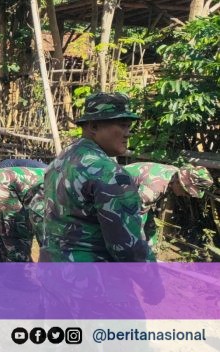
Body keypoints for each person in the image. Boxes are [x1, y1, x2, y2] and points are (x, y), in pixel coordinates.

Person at [40, 92, 154, 262]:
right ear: (93, 127)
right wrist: (154, 284)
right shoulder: (109, 173)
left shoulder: (64, 158)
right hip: (89, 280)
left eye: (129, 127)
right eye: (122, 125)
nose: (128, 133)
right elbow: (128, 248)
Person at [124, 162, 213, 247]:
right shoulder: (153, 190)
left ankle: (148, 252)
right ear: (179, 183)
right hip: (115, 190)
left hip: (134, 194)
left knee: (150, 229)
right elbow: (135, 216)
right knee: (132, 236)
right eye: (187, 193)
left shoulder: (174, 174)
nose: (186, 196)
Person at [0, 167, 45, 262]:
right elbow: (39, 216)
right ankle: (19, 273)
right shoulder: (56, 184)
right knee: (17, 235)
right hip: (1, 186)